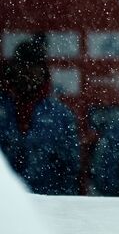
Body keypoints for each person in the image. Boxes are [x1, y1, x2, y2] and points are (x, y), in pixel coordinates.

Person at [3, 34, 80, 195]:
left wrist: (61, 204)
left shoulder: (60, 115)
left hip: (48, 203)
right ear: (13, 69)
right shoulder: (3, 108)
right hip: (5, 203)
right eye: (23, 65)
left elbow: (71, 168)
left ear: (43, 71)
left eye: (34, 66)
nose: (28, 72)